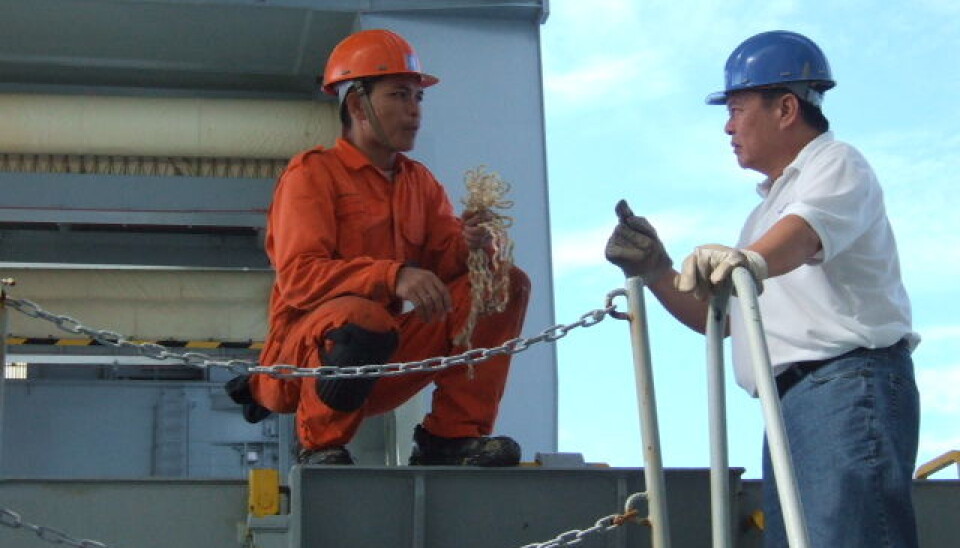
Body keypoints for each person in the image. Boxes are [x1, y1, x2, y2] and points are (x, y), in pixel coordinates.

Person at [605, 30, 920, 547]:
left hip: (845, 387)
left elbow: (803, 236)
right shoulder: (765, 212)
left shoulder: (835, 164)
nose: (728, 127)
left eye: (736, 108)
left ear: (786, 107)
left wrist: (747, 260)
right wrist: (656, 269)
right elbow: (724, 318)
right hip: (795, 403)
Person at [226, 28, 530, 467]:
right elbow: (299, 278)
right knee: (363, 316)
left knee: (504, 285)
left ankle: (449, 439)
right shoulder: (311, 175)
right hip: (302, 365)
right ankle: (320, 447)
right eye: (399, 95)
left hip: (381, 361)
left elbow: (445, 267)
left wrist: (470, 247)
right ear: (356, 104)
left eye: (419, 98)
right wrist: (394, 276)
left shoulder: (419, 182)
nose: (414, 111)